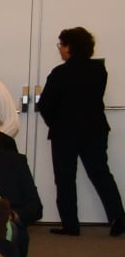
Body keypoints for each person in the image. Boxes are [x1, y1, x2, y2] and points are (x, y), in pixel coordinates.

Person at [36, 25, 125, 236]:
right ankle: (119, 218)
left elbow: (45, 104)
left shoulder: (60, 72)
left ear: (70, 47)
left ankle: (70, 224)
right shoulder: (99, 70)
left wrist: (55, 123)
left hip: (64, 131)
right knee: (101, 173)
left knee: (65, 178)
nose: (60, 49)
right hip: (95, 129)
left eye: (61, 45)